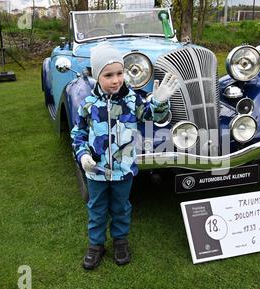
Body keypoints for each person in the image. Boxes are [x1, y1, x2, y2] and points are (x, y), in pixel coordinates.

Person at [71, 42, 179, 270]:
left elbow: (151, 116)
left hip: (124, 169)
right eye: (108, 75)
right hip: (96, 171)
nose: (116, 80)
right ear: (96, 75)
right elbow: (78, 133)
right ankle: (95, 245)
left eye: (119, 73)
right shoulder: (88, 105)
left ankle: (120, 241)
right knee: (97, 208)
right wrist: (82, 155)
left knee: (121, 207)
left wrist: (159, 101)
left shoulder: (132, 101)